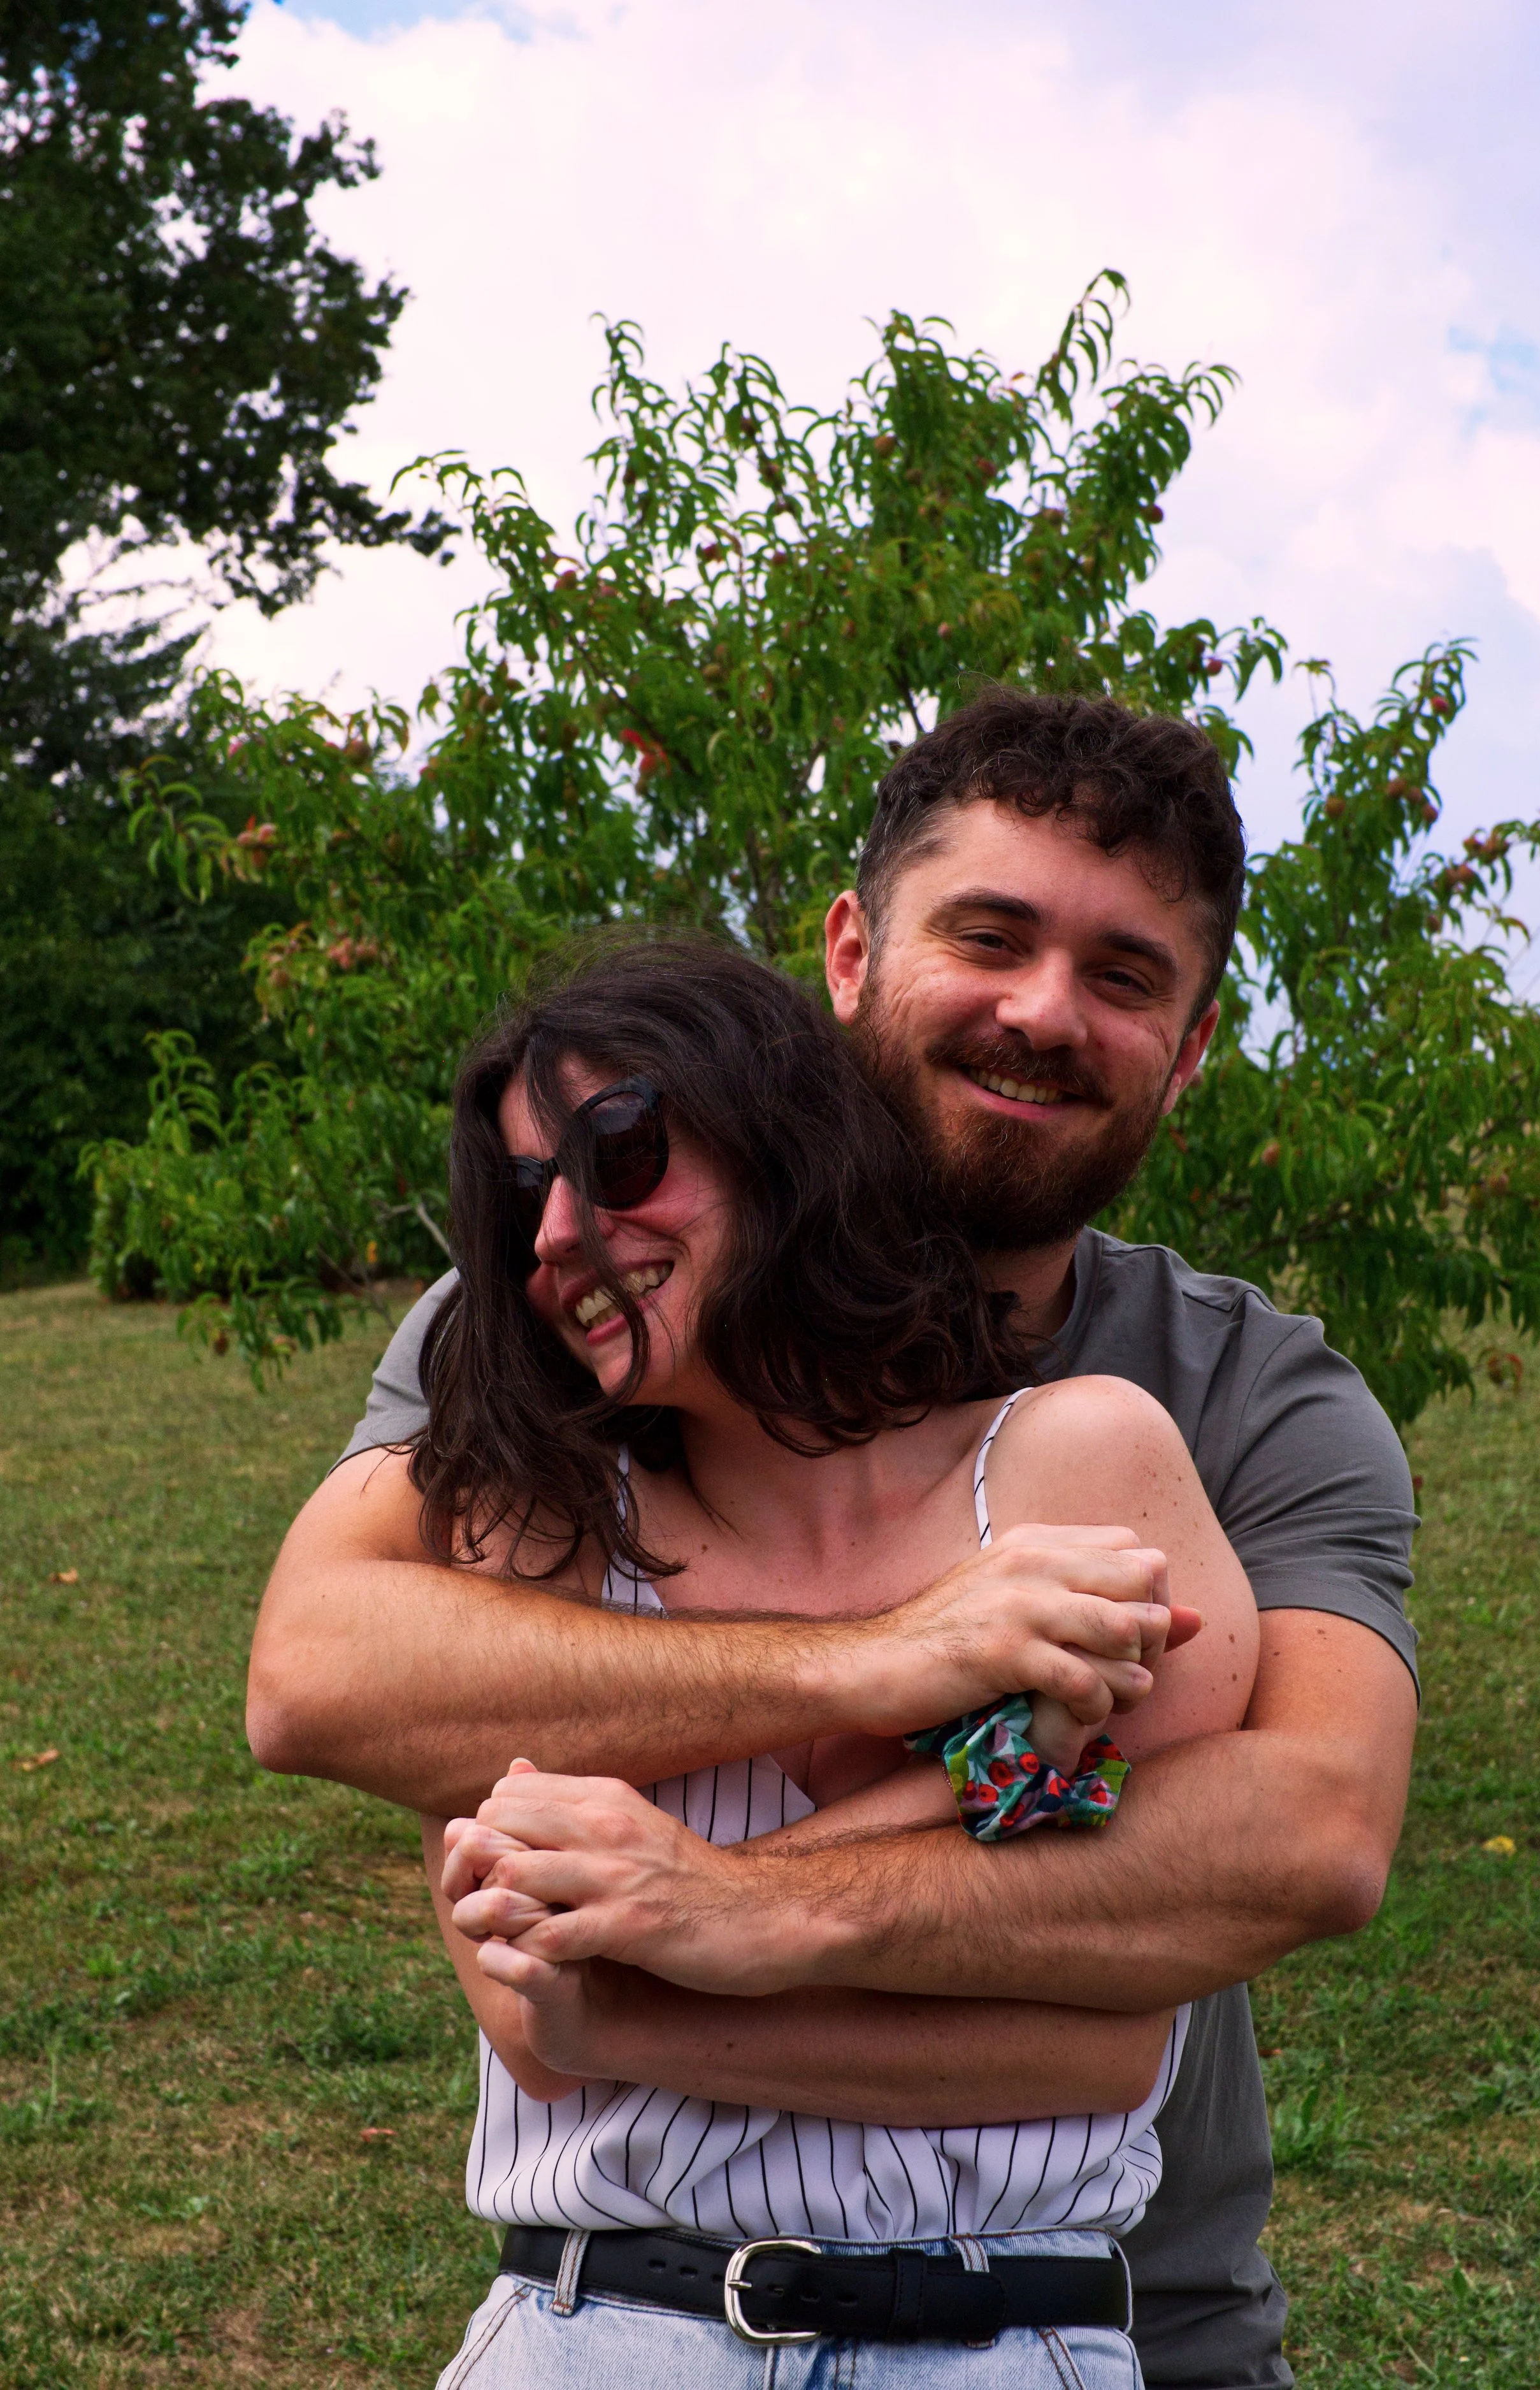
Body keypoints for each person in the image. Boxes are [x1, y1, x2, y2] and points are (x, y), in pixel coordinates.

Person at [250, 689, 1420, 2390]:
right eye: (991, 934)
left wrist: (713, 1911)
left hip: (1123, 2312)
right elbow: (322, 1678)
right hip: (618, 2296)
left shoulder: (1218, 1399)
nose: (1040, 1010)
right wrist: (885, 1660)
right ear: (851, 951)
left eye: (1119, 973)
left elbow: (1294, 1839)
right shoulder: (557, 1337)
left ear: (1188, 1045)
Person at [385, 933, 1258, 2384]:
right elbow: (542, 2023)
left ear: (782, 1140)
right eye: (523, 1199)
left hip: (1001, 2334)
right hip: (595, 2332)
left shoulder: (1076, 1452)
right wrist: (958, 1745)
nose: (554, 1239)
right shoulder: (525, 1517)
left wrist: (697, 1907)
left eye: (614, 1155)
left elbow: (1111, 2028)